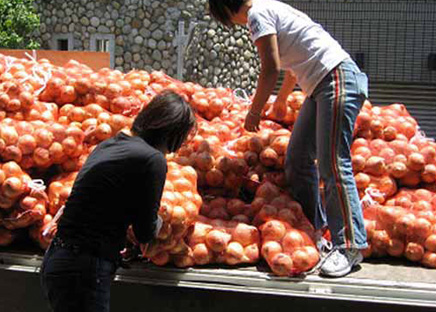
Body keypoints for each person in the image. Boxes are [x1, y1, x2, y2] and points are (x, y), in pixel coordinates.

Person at [208, 0, 368, 277]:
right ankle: (317, 231)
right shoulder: (269, 7)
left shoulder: (257, 15)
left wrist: (255, 111)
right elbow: (292, 66)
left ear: (225, 9)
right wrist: (280, 101)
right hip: (319, 85)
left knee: (333, 163)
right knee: (297, 160)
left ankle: (350, 246)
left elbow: (270, 68)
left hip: (336, 77)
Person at [40, 90, 196, 311]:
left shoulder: (110, 144)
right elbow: (145, 231)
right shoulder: (152, 159)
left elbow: (106, 203)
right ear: (173, 133)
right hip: (83, 267)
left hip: (59, 257)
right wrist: (159, 222)